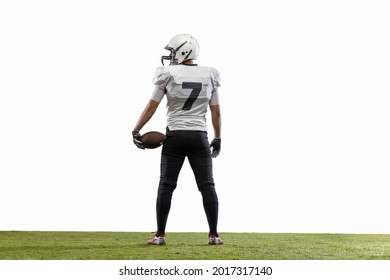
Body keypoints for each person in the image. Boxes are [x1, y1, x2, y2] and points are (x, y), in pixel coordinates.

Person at [132, 34, 223, 245]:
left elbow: (151, 106)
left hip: (174, 137)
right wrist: (218, 137)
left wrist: (136, 129)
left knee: (166, 185)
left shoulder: (168, 74)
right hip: (199, 137)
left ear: (184, 51)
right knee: (207, 185)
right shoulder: (209, 75)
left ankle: (160, 235)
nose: (171, 56)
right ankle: (214, 235)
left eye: (173, 52)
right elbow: (216, 112)